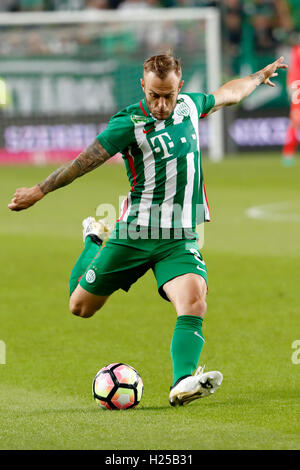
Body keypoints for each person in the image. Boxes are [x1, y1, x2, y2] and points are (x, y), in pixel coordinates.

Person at [8, 53, 287, 406]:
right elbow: (83, 163)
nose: (161, 103)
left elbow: (227, 94)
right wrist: (39, 190)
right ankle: (93, 241)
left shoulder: (188, 106)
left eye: (168, 95)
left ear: (179, 88)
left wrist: (257, 78)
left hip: (179, 238)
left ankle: (183, 381)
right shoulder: (128, 123)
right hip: (135, 235)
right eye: (154, 95)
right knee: (80, 306)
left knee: (194, 300)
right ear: (143, 86)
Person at [282, 43, 300, 166]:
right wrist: (291, 86)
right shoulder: (297, 50)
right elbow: (293, 70)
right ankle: (288, 152)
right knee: (296, 119)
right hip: (297, 86)